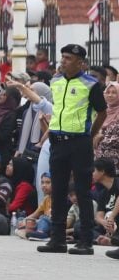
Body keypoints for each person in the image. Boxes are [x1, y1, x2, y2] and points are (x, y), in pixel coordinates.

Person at [38, 44, 108, 255]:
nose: (64, 61)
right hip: (58, 140)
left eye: (68, 58)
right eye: (63, 57)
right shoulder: (56, 81)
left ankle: (86, 241)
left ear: (80, 62)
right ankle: (57, 239)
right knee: (58, 190)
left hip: (79, 142)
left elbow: (102, 112)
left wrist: (91, 134)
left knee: (81, 191)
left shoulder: (91, 84)